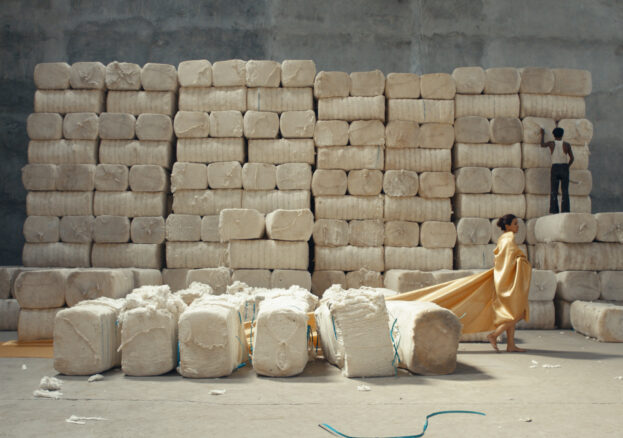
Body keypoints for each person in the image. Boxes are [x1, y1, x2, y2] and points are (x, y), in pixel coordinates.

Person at [386, 214, 531, 353]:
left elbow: (501, 260)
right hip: (507, 282)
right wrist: (522, 262)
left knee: (509, 313)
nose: (518, 227)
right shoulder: (509, 238)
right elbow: (508, 262)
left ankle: (511, 344)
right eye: (515, 224)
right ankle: (494, 335)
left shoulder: (503, 238)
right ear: (508, 226)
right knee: (516, 312)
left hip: (503, 278)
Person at [541, 127, 574, 214]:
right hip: (564, 167)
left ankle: (554, 210)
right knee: (565, 191)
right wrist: (567, 166)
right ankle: (565, 210)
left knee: (554, 191)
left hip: (555, 168)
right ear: (562, 135)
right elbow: (572, 158)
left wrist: (542, 134)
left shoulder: (551, 144)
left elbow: (542, 144)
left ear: (553, 135)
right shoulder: (566, 145)